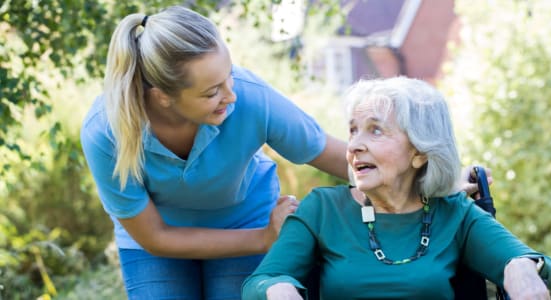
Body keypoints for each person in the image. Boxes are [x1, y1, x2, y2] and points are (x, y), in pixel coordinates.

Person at [81, 5, 488, 299]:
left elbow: (329, 153)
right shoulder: (108, 132)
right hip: (162, 243)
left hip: (244, 217)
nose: (231, 95)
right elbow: (155, 236)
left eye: (229, 77)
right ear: (163, 97)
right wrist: (263, 240)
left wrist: (434, 180)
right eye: (211, 92)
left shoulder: (249, 98)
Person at [242, 76, 551, 299]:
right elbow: (258, 282)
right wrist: (279, 287)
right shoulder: (322, 209)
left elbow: (546, 269)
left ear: (419, 152)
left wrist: (521, 266)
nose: (353, 146)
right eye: (353, 131)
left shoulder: (453, 213)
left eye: (375, 131)